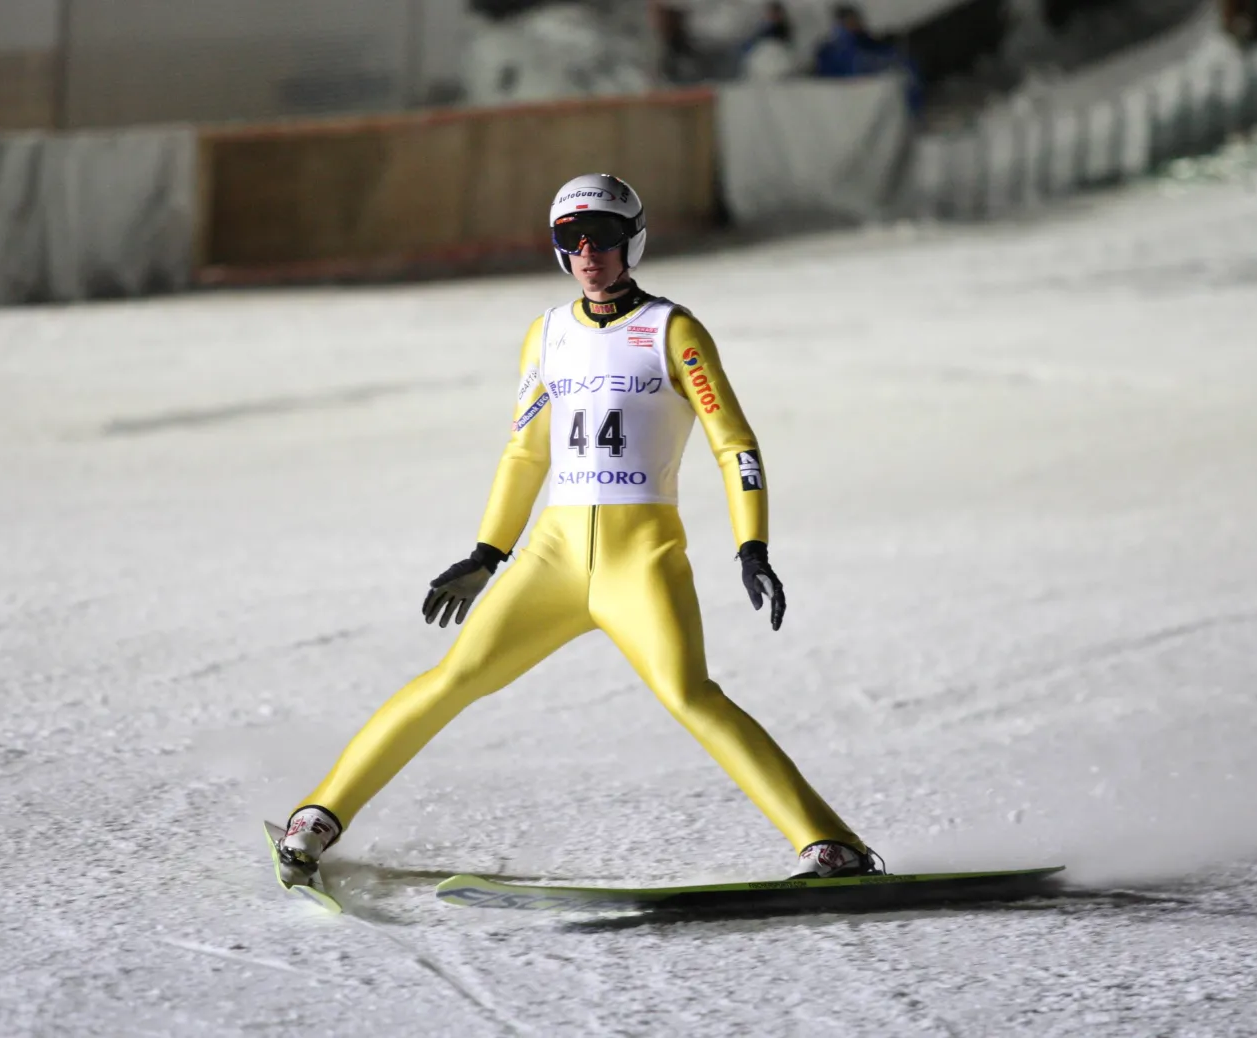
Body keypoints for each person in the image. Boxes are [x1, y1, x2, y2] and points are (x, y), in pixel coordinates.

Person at [274, 173, 882, 887]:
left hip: (641, 560)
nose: (588, 254)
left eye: (603, 240)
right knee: (453, 678)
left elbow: (734, 444)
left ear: (634, 243)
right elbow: (527, 449)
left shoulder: (673, 330)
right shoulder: (548, 333)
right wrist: (487, 551)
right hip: (553, 558)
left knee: (691, 697)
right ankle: (317, 816)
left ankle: (829, 845)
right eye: (571, 241)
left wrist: (752, 546)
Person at [740, 1, 800, 80]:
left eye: (775, 13)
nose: (772, 16)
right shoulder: (762, 28)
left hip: (778, 58)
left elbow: (787, 45)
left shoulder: (783, 29)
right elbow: (753, 42)